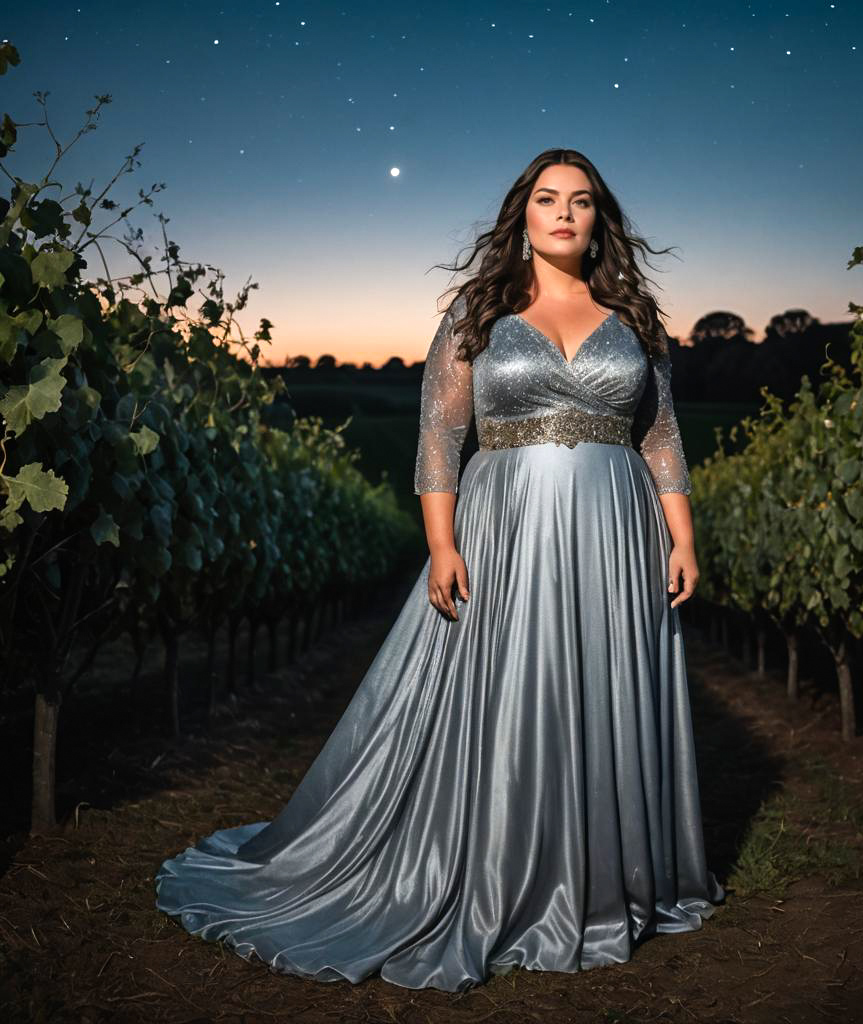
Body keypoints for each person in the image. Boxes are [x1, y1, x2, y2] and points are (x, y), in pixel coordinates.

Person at [155, 148, 725, 993]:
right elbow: (437, 436)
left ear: (599, 219)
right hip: (505, 525)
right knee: (510, 690)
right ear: (522, 216)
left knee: (603, 689)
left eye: (581, 201)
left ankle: (606, 881)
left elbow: (661, 436)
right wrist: (444, 544)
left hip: (616, 529)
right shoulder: (478, 310)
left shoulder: (635, 318)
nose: (564, 213)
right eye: (546, 199)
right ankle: (497, 876)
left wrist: (681, 537)